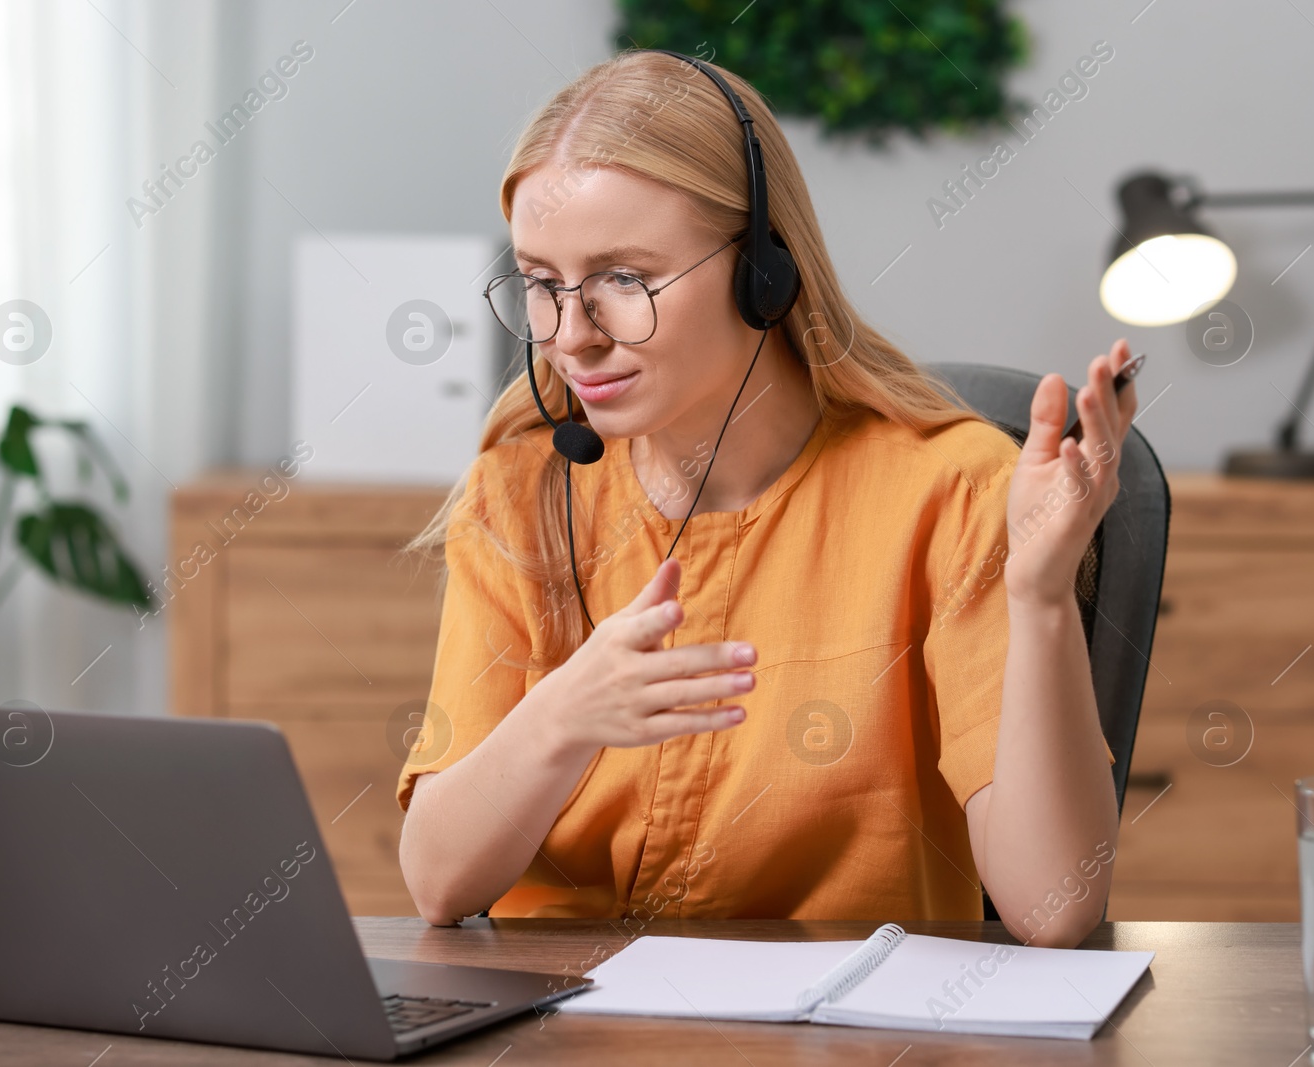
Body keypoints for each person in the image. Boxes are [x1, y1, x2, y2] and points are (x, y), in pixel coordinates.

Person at [395, 50, 1137, 950]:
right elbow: (438, 881)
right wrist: (565, 712)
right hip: (557, 1030)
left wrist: (1041, 595)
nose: (571, 338)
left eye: (625, 281)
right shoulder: (524, 489)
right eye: (542, 286)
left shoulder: (949, 489)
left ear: (762, 269)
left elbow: (1055, 910)